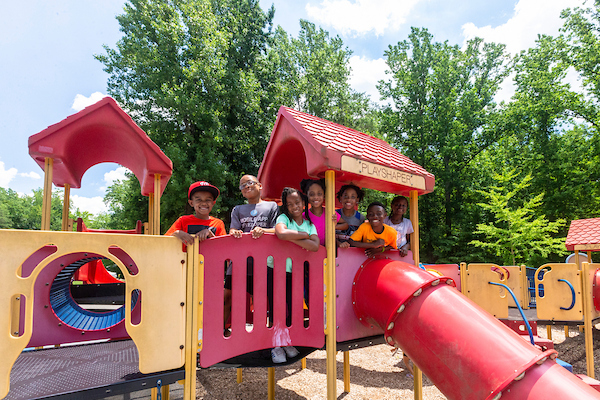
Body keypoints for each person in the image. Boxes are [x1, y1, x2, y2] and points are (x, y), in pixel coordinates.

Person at [224, 175, 278, 334]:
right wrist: (235, 233)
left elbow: (277, 229)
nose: (246, 187)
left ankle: (260, 336)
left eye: (250, 183)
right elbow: (232, 230)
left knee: (260, 300)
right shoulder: (237, 209)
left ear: (259, 185)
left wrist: (264, 230)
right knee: (228, 296)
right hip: (239, 262)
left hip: (262, 263)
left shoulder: (271, 206)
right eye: (242, 186)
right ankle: (221, 331)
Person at [273, 187, 319, 363]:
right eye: (289, 204)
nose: (294, 206)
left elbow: (315, 246)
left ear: (303, 203)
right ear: (285, 206)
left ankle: (287, 341)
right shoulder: (284, 218)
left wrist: (291, 238)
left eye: (297, 202)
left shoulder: (309, 224)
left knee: (293, 308)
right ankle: (276, 345)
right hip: (277, 270)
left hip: (296, 272)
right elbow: (281, 232)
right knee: (278, 307)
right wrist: (302, 237)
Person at [300, 178, 348, 247]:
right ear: (306, 196)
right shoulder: (303, 217)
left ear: (324, 195)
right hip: (310, 252)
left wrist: (334, 226)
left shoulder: (329, 212)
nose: (316, 197)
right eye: (312, 194)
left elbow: (345, 225)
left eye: (319, 194)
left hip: (328, 252)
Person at [335, 184, 366, 248]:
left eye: (353, 197)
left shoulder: (360, 218)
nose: (349, 200)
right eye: (346, 196)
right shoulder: (335, 214)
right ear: (341, 198)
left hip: (352, 253)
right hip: (335, 252)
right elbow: (327, 234)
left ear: (357, 199)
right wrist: (339, 243)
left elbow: (361, 238)